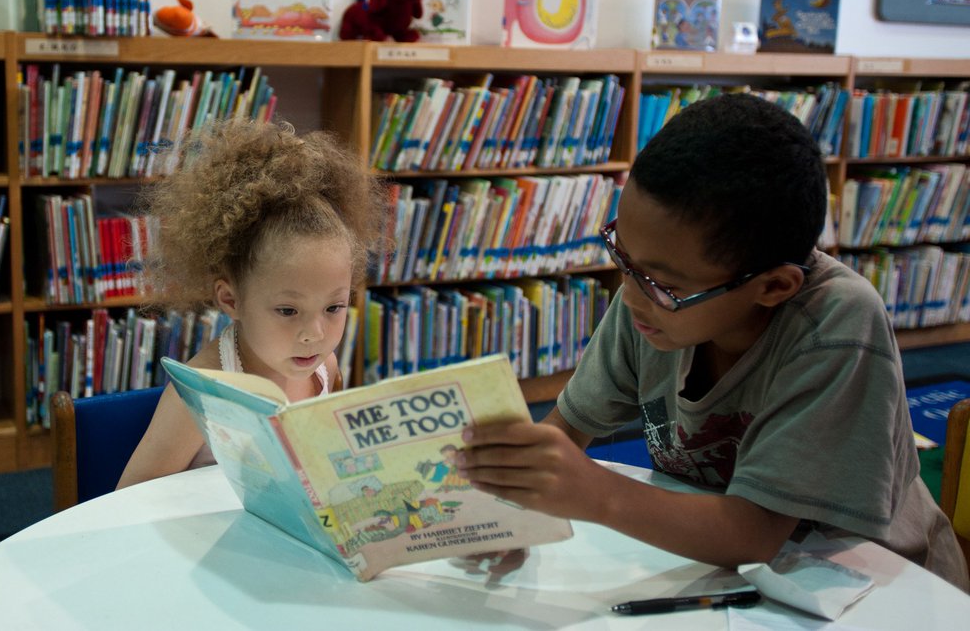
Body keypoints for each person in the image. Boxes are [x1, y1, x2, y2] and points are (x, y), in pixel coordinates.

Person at [459, 93, 970, 591]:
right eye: (623, 257)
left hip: (870, 587)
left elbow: (753, 535)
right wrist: (510, 511)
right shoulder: (654, 301)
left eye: (663, 284)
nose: (630, 295)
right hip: (733, 579)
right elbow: (566, 431)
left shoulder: (835, 326)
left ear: (773, 287)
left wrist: (595, 494)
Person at [117, 119, 384, 487]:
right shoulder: (201, 392)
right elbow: (130, 497)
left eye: (334, 307)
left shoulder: (326, 370)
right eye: (288, 311)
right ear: (231, 300)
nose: (314, 334)